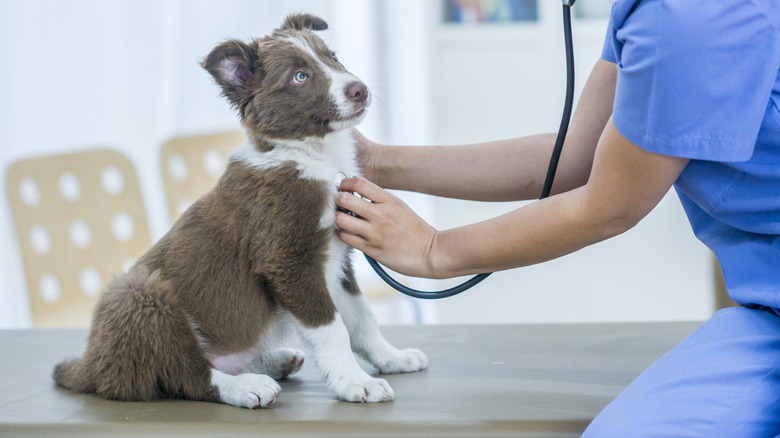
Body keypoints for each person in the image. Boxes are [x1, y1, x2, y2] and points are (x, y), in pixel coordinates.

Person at [334, 0, 780, 435]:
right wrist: (378, 162)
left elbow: (611, 206)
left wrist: (435, 250)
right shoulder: (647, 11)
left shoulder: (689, 15)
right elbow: (578, 154)